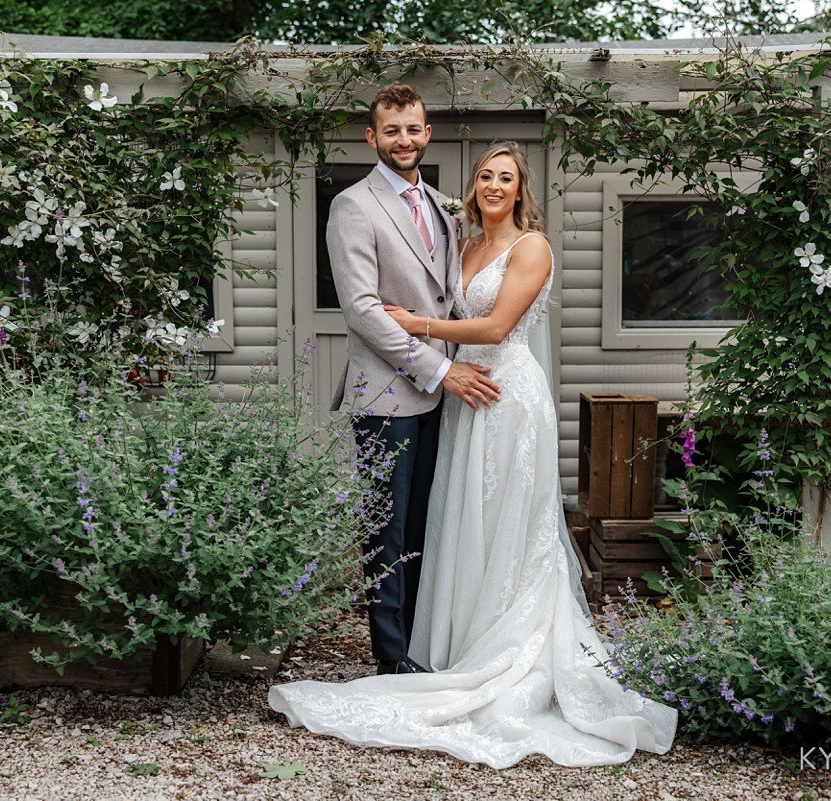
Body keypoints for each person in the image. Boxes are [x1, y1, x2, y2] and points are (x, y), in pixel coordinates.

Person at [269, 140, 678, 769]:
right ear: (474, 187)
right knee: (464, 517)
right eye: (485, 175)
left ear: (521, 191)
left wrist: (417, 326)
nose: (493, 185)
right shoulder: (463, 243)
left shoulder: (530, 247)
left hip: (506, 395)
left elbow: (493, 329)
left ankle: (510, 648)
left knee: (508, 522)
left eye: (505, 178)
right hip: (460, 395)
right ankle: (462, 644)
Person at [320, 83, 501, 676]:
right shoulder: (353, 206)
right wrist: (441, 368)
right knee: (387, 528)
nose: (404, 140)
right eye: (391, 131)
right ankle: (391, 661)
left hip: (440, 397)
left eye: (414, 129)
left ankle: (421, 643)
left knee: (427, 520)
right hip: (388, 394)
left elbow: (449, 298)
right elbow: (363, 310)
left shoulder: (447, 206)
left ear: (428, 133)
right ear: (372, 137)